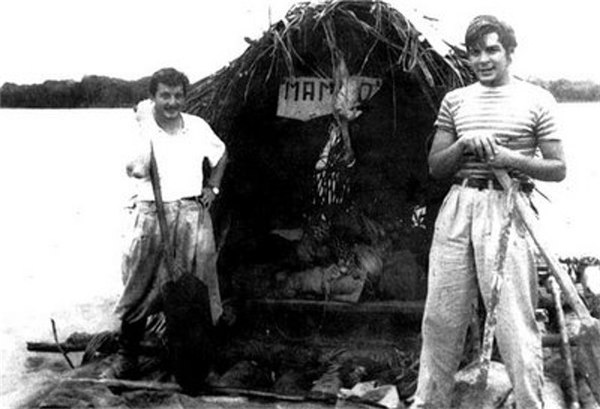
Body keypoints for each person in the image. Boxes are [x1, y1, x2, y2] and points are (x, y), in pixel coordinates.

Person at [410, 15, 566, 409]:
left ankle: (531, 403)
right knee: (441, 317)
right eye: (475, 52)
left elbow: (558, 168)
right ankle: (430, 403)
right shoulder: (456, 101)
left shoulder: (537, 99)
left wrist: (509, 156)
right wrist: (463, 144)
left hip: (507, 205)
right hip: (460, 204)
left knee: (514, 319)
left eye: (492, 49)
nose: (483, 59)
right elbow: (436, 166)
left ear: (510, 52)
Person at [103, 67, 228, 380]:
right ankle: (127, 354)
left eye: (177, 95)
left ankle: (191, 354)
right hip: (151, 215)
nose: (172, 102)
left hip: (191, 214)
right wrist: (145, 125)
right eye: (165, 96)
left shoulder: (198, 127)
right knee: (139, 286)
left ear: (185, 97)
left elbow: (222, 155)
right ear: (153, 98)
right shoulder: (142, 131)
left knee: (197, 285)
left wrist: (212, 187)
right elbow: (135, 170)